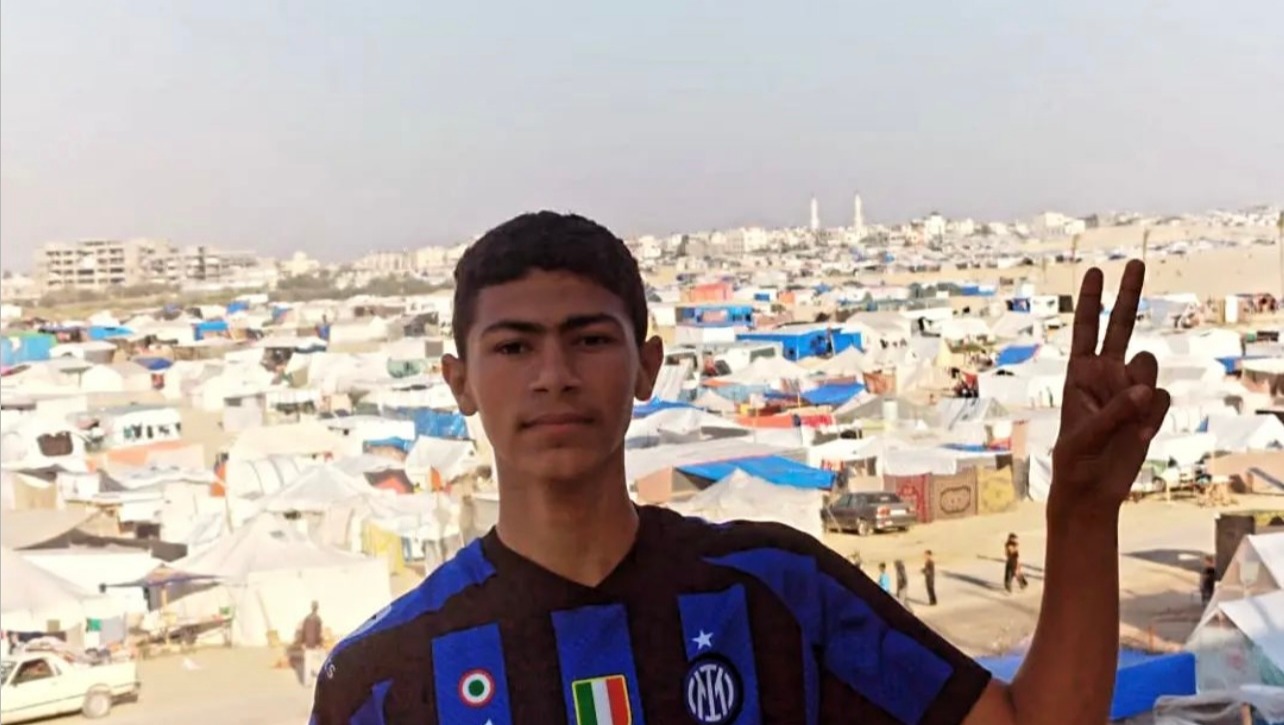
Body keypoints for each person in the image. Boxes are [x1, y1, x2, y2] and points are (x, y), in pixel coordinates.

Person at [312, 212, 1168, 725]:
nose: (554, 373)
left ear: (646, 366)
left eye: (589, 338)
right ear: (457, 381)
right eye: (513, 345)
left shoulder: (777, 592)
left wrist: (1084, 517)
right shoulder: (384, 678)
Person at [300, 601, 325, 686]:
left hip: (307, 644)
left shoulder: (306, 618)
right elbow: (318, 632)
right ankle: (320, 680)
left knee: (308, 663)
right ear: (317, 608)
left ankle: (307, 682)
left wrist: (303, 642)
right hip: (315, 644)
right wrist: (319, 643)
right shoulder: (318, 619)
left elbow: (303, 631)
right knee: (319, 662)